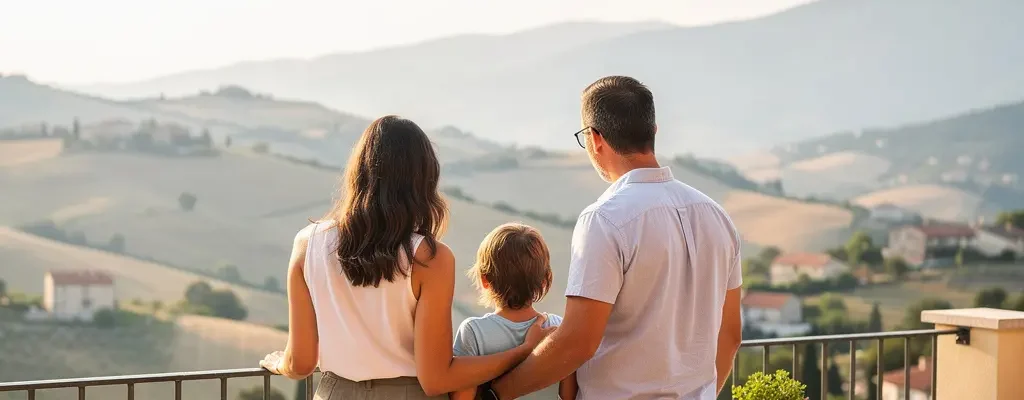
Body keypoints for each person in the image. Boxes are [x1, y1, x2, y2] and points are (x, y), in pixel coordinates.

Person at [485, 76, 745, 399]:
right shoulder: (718, 217)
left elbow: (577, 341)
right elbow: (731, 334)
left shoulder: (604, 219)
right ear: (653, 132)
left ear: (595, 139)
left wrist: (497, 393)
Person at [258, 116, 553, 399]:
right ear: (424, 180)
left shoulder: (306, 244)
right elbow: (436, 379)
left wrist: (277, 363)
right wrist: (522, 352)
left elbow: (301, 363)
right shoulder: (430, 258)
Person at [449, 223, 578, 400]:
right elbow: (569, 396)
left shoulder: (473, 332)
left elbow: (461, 397)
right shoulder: (557, 328)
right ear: (545, 280)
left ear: (484, 279)